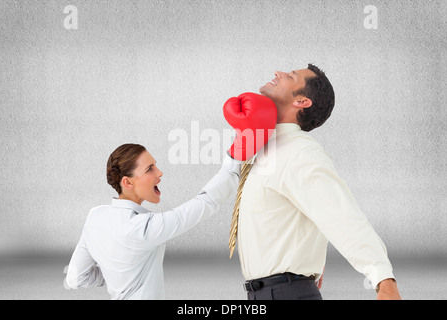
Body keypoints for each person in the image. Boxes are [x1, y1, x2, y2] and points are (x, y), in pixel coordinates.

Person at [229, 64, 402, 300]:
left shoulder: (300, 152)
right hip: (268, 294)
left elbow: (341, 214)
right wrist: (312, 257)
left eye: (290, 76)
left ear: (301, 101)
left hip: (284, 294)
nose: (277, 72)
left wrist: (383, 279)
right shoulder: (264, 149)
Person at [65, 143, 243, 299]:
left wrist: (115, 272)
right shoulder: (143, 228)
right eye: (149, 169)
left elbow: (75, 278)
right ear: (127, 182)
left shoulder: (95, 216)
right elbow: (207, 202)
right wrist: (234, 159)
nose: (160, 172)